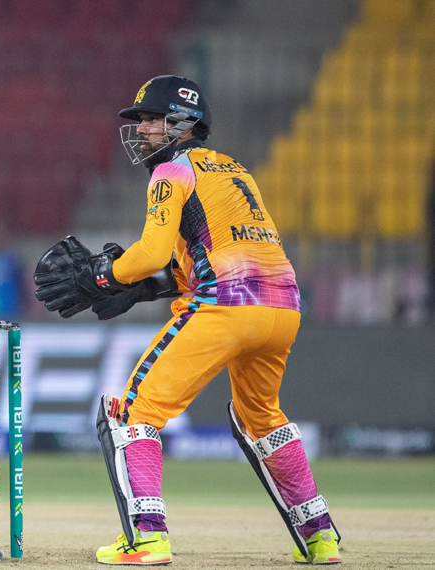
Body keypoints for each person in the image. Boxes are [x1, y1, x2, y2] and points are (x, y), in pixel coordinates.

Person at [33, 76, 340, 565]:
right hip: (283, 306)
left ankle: (147, 538)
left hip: (226, 307)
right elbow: (202, 257)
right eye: (141, 121)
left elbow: (151, 253)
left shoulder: (170, 172)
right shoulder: (235, 170)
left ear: (182, 124)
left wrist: (103, 276)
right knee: (262, 419)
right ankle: (320, 536)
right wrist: (141, 289)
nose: (142, 130)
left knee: (131, 413)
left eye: (152, 120)